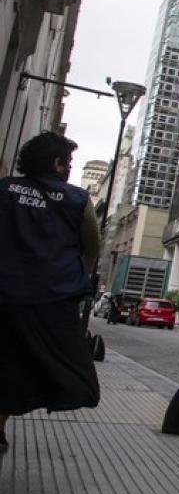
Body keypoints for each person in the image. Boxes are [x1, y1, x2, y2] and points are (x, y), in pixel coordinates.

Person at [0, 132, 100, 456]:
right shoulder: (77, 199)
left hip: (5, 295)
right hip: (52, 302)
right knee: (50, 371)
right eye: (68, 161)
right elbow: (92, 247)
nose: (69, 167)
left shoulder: (5, 190)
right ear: (56, 163)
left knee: (8, 364)